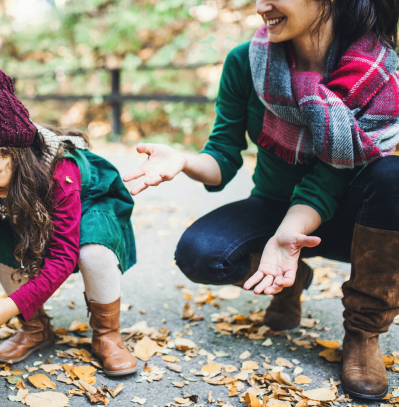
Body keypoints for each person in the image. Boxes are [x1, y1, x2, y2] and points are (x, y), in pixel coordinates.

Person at [124, 0, 399, 400]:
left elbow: (329, 176)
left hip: (353, 218)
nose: (259, 7)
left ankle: (363, 331)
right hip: (273, 203)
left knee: (393, 176)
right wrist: (183, 160)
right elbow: (221, 154)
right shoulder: (246, 62)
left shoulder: (376, 74)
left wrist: (288, 234)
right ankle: (290, 279)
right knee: (200, 253)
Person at [0, 66, 137, 376]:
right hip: (27, 211)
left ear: (17, 155)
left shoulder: (61, 174)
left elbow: (64, 255)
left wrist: (10, 305)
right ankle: (35, 328)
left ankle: (106, 334)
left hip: (84, 209)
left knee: (93, 252)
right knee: (2, 242)